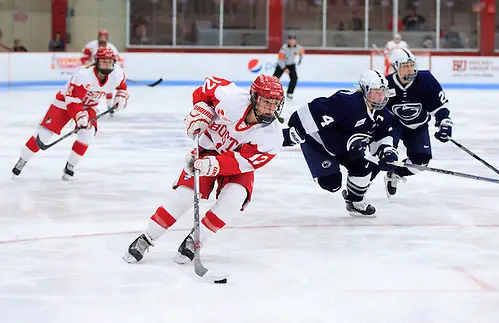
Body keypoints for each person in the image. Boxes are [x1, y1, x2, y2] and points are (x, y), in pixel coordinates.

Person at [124, 75, 285, 264]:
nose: (269, 108)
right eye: (265, 101)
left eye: (274, 103)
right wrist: (200, 109)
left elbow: (243, 161)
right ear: (254, 97)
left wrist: (214, 165)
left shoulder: (272, 137)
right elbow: (204, 92)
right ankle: (147, 237)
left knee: (234, 199)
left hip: (237, 165)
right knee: (184, 195)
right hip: (208, 149)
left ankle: (195, 240)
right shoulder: (230, 98)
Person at [282, 70, 398, 217]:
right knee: (331, 184)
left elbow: (383, 136)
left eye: (383, 92)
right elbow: (315, 110)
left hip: (346, 148)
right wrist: (293, 131)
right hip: (318, 145)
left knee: (367, 167)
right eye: (375, 92)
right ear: (364, 90)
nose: (380, 97)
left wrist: (387, 152)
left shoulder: (382, 113)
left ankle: (354, 202)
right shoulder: (347, 103)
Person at [12, 47, 129, 180]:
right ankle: (22, 160)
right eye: (103, 62)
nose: (107, 65)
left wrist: (121, 96)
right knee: (44, 135)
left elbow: (122, 86)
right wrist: (79, 115)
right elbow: (72, 100)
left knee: (87, 135)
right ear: (96, 62)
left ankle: (70, 166)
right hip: (64, 103)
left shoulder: (118, 74)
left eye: (109, 62)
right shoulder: (83, 76)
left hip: (89, 106)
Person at [380, 48, 452, 197]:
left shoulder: (425, 80)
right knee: (384, 156)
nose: (410, 70)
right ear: (395, 67)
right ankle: (359, 190)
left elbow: (439, 104)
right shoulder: (386, 85)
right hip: (395, 124)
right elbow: (377, 111)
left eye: (412, 65)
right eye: (405, 66)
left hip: (419, 125)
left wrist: (444, 122)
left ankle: (395, 174)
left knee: (421, 162)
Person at [81, 29, 121, 115]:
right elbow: (83, 57)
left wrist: (114, 71)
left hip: (105, 70)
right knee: (91, 89)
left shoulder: (112, 48)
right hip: (92, 72)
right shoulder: (91, 45)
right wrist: (87, 66)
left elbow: (116, 61)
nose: (102, 38)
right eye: (101, 36)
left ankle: (109, 106)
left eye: (104, 36)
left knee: (109, 87)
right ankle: (92, 106)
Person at [273, 33, 304, 99]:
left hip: (291, 64)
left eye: (293, 40)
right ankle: (272, 90)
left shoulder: (299, 48)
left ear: (295, 41)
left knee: (294, 78)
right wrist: (284, 68)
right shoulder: (284, 48)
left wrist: (299, 61)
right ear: (288, 41)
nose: (292, 41)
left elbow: (301, 53)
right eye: (290, 40)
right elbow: (280, 59)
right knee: (274, 78)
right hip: (282, 64)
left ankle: (290, 93)